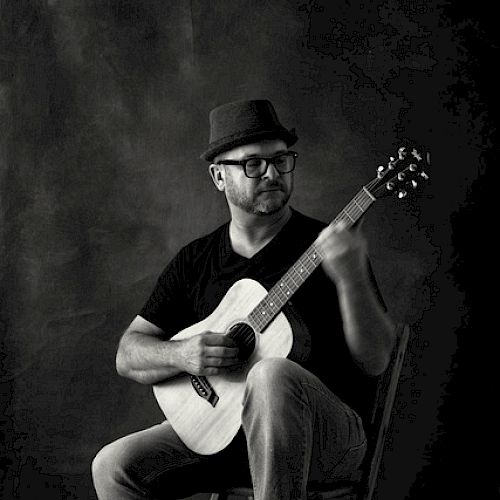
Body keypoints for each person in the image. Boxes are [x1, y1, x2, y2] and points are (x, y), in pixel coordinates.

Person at [91, 99, 395, 500]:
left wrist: (352, 275)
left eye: (281, 159)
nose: (272, 173)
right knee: (113, 467)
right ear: (218, 176)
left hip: (328, 442)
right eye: (253, 163)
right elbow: (128, 354)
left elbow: (376, 361)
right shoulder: (196, 260)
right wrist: (182, 355)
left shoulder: (331, 245)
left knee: (270, 374)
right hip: (225, 439)